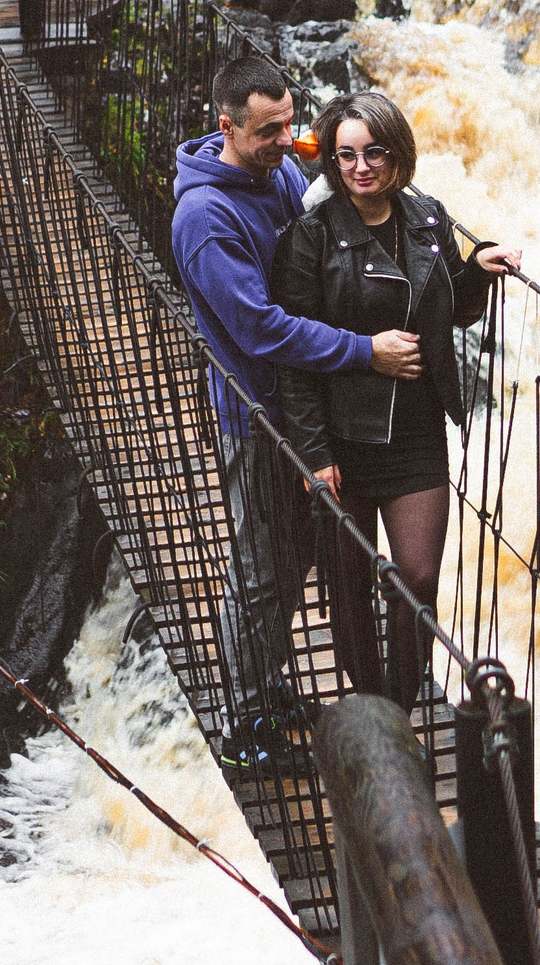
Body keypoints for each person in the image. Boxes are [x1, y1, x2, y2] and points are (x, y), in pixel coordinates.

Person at [172, 52, 422, 766]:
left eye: (290, 125)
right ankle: (244, 724)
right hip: (259, 415)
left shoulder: (274, 164)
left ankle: (265, 685)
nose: (287, 143)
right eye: (269, 132)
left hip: (299, 407)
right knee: (262, 567)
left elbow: (310, 185)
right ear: (227, 126)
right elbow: (261, 327)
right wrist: (364, 350)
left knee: (290, 558)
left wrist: (336, 144)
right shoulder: (206, 218)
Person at [270, 91, 520, 709]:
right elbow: (292, 354)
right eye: (346, 155)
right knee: (349, 587)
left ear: (397, 153)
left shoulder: (426, 217)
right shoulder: (310, 238)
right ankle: (371, 698)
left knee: (418, 579)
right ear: (331, 160)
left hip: (415, 431)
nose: (360, 167)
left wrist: (476, 271)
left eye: (374, 152)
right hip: (341, 438)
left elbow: (449, 311)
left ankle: (402, 705)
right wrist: (312, 451)